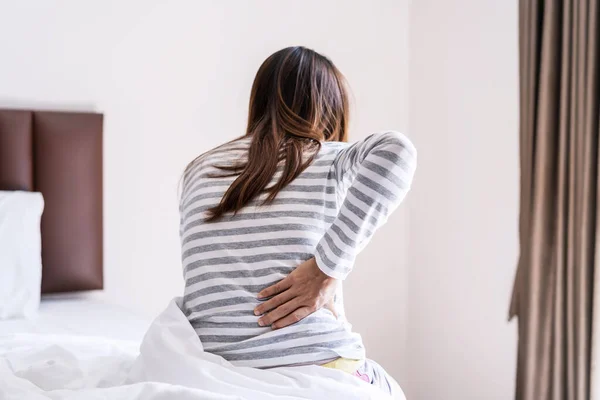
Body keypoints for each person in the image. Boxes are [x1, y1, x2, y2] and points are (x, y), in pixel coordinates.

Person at [179, 46, 416, 396]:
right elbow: (398, 150)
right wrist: (326, 269)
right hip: (318, 368)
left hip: (216, 370)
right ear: (328, 107)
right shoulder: (327, 157)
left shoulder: (198, 169)